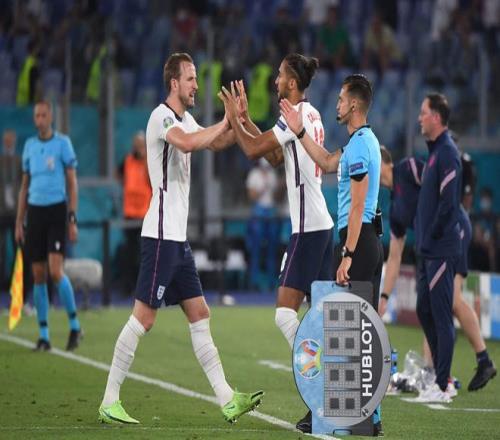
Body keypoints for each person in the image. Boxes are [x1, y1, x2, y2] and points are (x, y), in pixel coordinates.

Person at [98, 53, 264, 425]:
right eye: (190, 78)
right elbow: (188, 144)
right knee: (144, 318)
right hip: (160, 236)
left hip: (177, 239)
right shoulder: (161, 117)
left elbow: (215, 142)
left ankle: (227, 398)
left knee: (200, 313)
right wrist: (224, 121)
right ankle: (109, 400)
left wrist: (236, 121)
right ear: (174, 83)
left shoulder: (186, 120)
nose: (196, 85)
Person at [218, 53, 334, 433]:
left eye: (281, 75)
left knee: (285, 315)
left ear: (293, 82)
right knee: (316, 318)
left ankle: (319, 389)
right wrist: (247, 120)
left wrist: (234, 118)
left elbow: (254, 151)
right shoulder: (309, 114)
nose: (276, 80)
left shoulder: (294, 115)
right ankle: (326, 402)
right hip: (320, 225)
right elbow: (273, 155)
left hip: (308, 228)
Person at [279, 73, 384, 435]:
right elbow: (325, 162)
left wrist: (348, 254)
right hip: (367, 241)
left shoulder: (360, 147)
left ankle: (323, 414)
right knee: (363, 332)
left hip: (359, 242)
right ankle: (370, 417)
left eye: (341, 99)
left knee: (340, 333)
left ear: (354, 104)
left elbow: (356, 207)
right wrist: (299, 132)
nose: (336, 104)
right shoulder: (360, 142)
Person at [378, 146, 496, 392]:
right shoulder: (395, 208)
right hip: (433, 245)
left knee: (447, 301)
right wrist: (385, 297)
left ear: (381, 162)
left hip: (452, 230)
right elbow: (395, 256)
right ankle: (444, 370)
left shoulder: (408, 168)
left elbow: (441, 187)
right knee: (436, 304)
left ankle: (449, 374)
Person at [15, 101, 82, 352]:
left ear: (50, 117)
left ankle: (75, 326)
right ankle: (44, 335)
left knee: (56, 271)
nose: (40, 119)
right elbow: (24, 186)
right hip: (35, 212)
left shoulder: (63, 143)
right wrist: (19, 221)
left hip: (56, 211)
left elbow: (72, 183)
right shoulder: (30, 146)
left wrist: (72, 218)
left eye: (44, 115)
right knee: (38, 274)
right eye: (37, 116)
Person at [414, 93, 462, 403]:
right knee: (424, 309)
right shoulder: (434, 153)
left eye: (423, 112)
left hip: (441, 249)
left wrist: (430, 238)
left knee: (442, 316)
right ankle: (439, 376)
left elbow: (449, 205)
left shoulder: (447, 153)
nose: (419, 118)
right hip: (428, 250)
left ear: (436, 117)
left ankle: (444, 384)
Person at [117, 131, 152, 295]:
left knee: (144, 253)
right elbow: (119, 174)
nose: (139, 148)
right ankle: (128, 287)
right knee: (129, 253)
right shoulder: (127, 161)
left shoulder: (149, 161)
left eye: (141, 145)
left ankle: (144, 287)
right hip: (130, 214)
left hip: (145, 214)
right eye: (136, 145)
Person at [246, 158, 280, 290]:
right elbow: (251, 196)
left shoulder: (272, 174)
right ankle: (254, 282)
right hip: (258, 211)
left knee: (272, 249)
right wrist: (263, 187)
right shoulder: (254, 174)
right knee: (256, 249)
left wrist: (279, 187)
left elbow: (276, 197)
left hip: (271, 211)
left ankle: (272, 282)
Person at [0, 130, 22, 287]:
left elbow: (24, 184)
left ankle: (16, 280)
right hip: (1, 211)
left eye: (11, 140)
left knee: (17, 248)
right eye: (6, 140)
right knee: (1, 248)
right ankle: (1, 281)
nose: (8, 143)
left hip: (16, 212)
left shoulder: (19, 161)